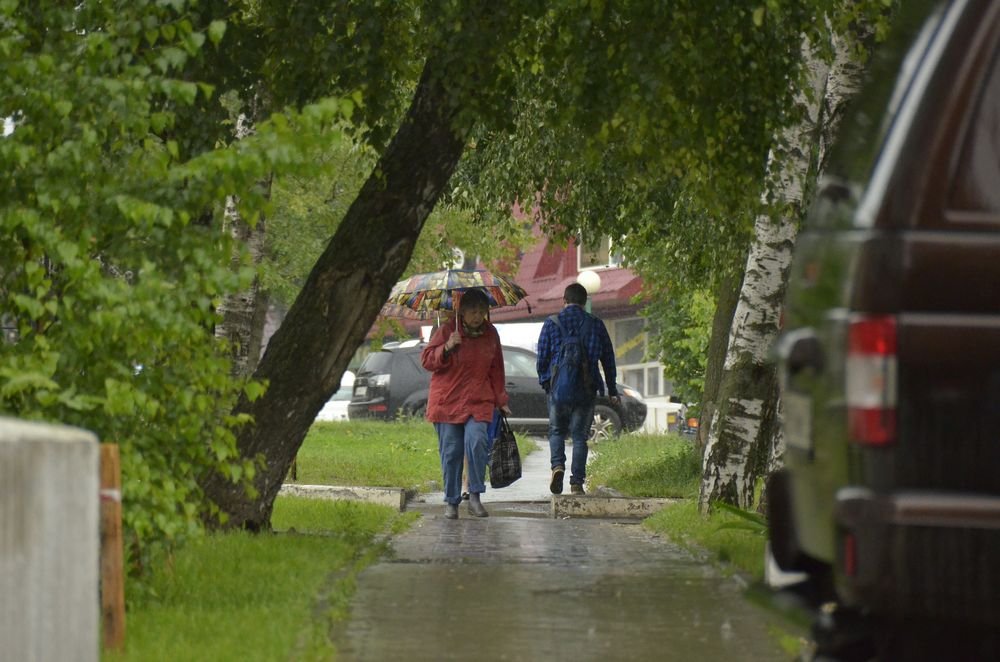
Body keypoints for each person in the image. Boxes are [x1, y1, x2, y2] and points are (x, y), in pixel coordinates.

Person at [421, 288, 511, 519]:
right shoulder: (447, 330)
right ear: (461, 311)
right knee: (451, 452)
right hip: (447, 401)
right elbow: (427, 361)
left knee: (478, 442)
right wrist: (447, 347)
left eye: (482, 310)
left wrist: (501, 400)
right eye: (472, 310)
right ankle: (451, 502)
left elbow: (496, 369)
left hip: (479, 400)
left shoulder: (491, 334)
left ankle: (475, 496)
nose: (477, 315)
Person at [536, 282, 620, 495]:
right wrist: (611, 389)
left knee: (556, 431)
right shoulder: (595, 324)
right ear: (584, 302)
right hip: (586, 388)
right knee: (580, 436)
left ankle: (557, 466)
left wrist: (547, 383)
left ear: (564, 301)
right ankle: (576, 483)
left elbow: (542, 358)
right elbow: (608, 359)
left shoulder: (552, 323)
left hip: (558, 390)